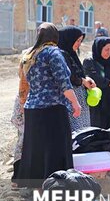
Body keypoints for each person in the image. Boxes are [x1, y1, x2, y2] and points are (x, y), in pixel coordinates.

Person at [15, 23, 81, 188]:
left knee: (34, 149)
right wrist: (75, 104)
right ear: (54, 37)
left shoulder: (29, 55)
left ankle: (31, 185)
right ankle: (55, 184)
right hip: (52, 109)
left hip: (32, 109)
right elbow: (64, 83)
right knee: (55, 149)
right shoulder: (53, 53)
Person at [83, 37, 110, 129]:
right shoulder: (89, 61)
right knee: (98, 130)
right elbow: (93, 78)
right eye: (106, 49)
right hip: (97, 102)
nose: (109, 52)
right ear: (99, 48)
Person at [58, 26, 96, 132]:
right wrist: (82, 81)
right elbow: (68, 76)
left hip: (79, 97)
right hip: (71, 98)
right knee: (75, 131)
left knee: (83, 130)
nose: (79, 44)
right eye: (77, 40)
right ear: (69, 39)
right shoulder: (61, 55)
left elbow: (78, 73)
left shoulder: (71, 53)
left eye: (80, 41)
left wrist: (86, 79)